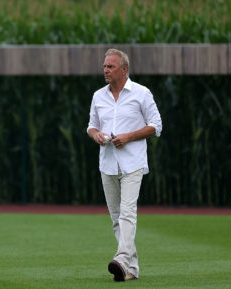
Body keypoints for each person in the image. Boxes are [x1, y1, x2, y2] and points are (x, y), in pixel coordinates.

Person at [87, 48, 162, 282]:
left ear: (124, 69)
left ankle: (120, 258)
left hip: (133, 163)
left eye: (110, 66)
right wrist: (96, 135)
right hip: (107, 164)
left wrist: (129, 136)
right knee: (116, 217)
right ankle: (131, 269)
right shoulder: (98, 96)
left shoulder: (142, 93)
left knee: (128, 213)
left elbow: (156, 126)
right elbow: (91, 126)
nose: (105, 70)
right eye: (104, 66)